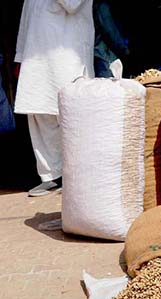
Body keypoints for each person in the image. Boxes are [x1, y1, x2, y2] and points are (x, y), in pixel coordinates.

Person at [14, 0, 94, 197]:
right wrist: (19, 56)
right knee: (39, 113)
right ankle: (51, 176)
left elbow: (72, 5)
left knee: (69, 116)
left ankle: (77, 176)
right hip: (35, 58)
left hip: (67, 57)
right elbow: (26, 20)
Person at [93, 0, 129, 78]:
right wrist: (125, 50)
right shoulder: (101, 5)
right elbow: (110, 31)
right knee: (108, 85)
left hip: (101, 54)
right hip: (104, 55)